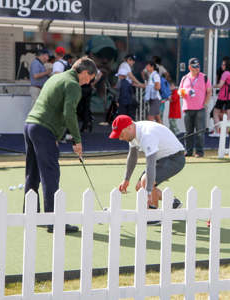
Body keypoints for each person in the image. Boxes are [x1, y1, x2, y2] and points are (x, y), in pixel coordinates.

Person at [24, 56, 97, 233]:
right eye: (90, 78)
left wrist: (55, 134)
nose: (88, 82)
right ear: (85, 72)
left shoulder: (56, 77)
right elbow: (69, 114)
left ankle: (30, 214)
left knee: (32, 173)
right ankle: (54, 221)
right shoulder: (73, 85)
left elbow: (52, 106)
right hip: (43, 129)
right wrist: (77, 140)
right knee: (50, 174)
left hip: (30, 125)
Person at [111, 115, 184, 224]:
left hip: (175, 158)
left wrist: (149, 192)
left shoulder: (147, 135)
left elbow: (150, 164)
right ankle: (172, 202)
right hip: (162, 158)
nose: (121, 138)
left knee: (146, 182)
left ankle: (154, 215)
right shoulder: (133, 132)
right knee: (140, 187)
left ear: (129, 127)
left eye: (121, 135)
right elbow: (132, 157)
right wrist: (126, 179)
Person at [178, 58, 212, 157]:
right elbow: (179, 91)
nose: (197, 69)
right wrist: (183, 93)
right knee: (188, 132)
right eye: (194, 67)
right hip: (187, 109)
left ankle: (199, 152)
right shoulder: (184, 78)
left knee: (200, 132)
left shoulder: (204, 77)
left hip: (200, 109)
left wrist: (205, 104)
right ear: (189, 67)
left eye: (198, 67)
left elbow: (209, 91)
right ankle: (188, 151)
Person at [211, 56, 230, 137]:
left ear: (226, 66)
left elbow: (220, 85)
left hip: (223, 96)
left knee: (215, 113)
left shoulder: (225, 73)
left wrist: (212, 86)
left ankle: (218, 132)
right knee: (228, 114)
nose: (222, 66)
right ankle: (226, 132)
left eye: (223, 65)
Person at [116, 54, 144, 119]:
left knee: (126, 109)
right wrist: (140, 84)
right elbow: (131, 76)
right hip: (124, 91)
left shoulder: (125, 66)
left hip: (125, 90)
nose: (133, 62)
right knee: (128, 108)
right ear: (128, 60)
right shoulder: (125, 65)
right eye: (132, 60)